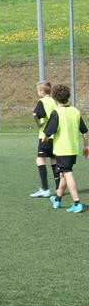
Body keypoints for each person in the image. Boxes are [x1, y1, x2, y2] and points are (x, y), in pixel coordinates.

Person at [43, 84, 89, 213]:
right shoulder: (75, 111)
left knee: (67, 173)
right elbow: (84, 131)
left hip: (62, 149)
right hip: (72, 149)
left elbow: (47, 133)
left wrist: (44, 140)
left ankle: (77, 203)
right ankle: (57, 199)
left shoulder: (56, 113)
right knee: (63, 174)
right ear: (68, 97)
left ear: (54, 98)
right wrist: (86, 146)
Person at [30, 81, 58, 197]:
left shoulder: (42, 101)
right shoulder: (55, 100)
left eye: (38, 90)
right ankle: (58, 187)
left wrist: (37, 120)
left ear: (42, 91)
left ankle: (45, 188)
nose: (37, 92)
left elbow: (38, 118)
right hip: (56, 135)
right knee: (53, 159)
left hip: (45, 136)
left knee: (40, 159)